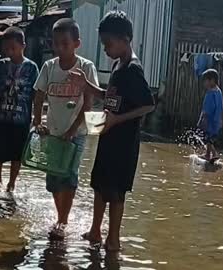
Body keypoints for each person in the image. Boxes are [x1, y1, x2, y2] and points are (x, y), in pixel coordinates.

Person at [68, 11, 155, 251]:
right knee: (99, 184)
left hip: (124, 142)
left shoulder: (133, 69)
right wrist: (88, 86)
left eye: (108, 44)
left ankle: (113, 239)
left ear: (125, 39)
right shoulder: (119, 65)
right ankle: (96, 231)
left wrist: (118, 120)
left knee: (116, 191)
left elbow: (148, 105)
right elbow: (111, 96)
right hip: (108, 136)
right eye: (104, 44)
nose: (105, 49)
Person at [33, 18, 99, 240]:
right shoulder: (49, 67)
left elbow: (89, 105)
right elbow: (39, 95)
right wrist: (37, 121)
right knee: (53, 179)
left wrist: (72, 130)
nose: (60, 48)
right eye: (56, 43)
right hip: (53, 132)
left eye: (65, 44)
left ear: (76, 44)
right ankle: (60, 214)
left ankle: (63, 220)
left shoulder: (86, 67)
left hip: (77, 133)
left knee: (69, 175)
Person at [0, 27, 39, 192]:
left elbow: (36, 95)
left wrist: (37, 118)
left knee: (17, 154)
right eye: (6, 48)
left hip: (22, 120)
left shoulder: (32, 67)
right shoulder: (2, 65)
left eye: (12, 48)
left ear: (23, 46)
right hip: (3, 118)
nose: (9, 51)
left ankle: (12, 183)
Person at [197, 69, 223, 163]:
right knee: (211, 137)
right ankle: (207, 155)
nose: (204, 84)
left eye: (205, 81)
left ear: (212, 80)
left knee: (208, 138)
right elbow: (220, 106)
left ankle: (214, 153)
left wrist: (203, 118)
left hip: (210, 120)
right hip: (217, 119)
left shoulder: (210, 93)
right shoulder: (218, 92)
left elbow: (208, 107)